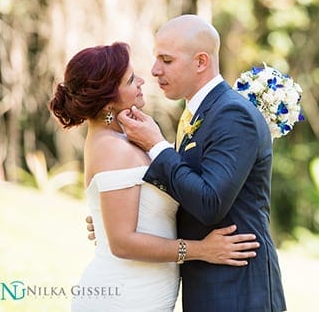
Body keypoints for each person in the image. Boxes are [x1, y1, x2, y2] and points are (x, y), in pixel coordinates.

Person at [49, 42, 259, 311]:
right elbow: (123, 243)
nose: (142, 81)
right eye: (130, 79)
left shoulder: (124, 138)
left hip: (141, 293)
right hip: (123, 297)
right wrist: (201, 250)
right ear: (107, 100)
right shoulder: (114, 149)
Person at [117, 14, 287, 311]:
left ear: (201, 62)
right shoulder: (199, 112)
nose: (155, 70)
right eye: (156, 59)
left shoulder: (233, 114)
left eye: (166, 60)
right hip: (207, 284)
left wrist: (156, 146)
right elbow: (184, 190)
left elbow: (209, 202)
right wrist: (117, 215)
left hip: (238, 290)